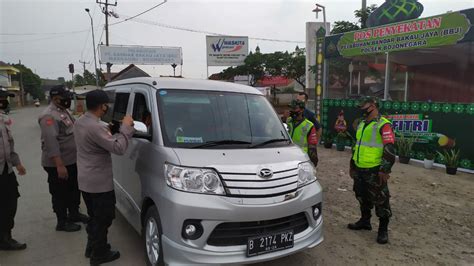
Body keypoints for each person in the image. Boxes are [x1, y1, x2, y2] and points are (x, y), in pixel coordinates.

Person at [74, 90, 135, 265]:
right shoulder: (96, 127)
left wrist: (111, 130)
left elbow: (97, 137)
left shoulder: (81, 122)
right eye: (106, 104)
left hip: (86, 180)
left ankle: (92, 247)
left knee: (94, 217)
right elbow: (119, 148)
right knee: (104, 218)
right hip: (99, 182)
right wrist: (126, 129)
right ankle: (99, 254)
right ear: (102, 106)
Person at [38, 85, 88, 233]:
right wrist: (59, 165)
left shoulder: (63, 111)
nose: (67, 99)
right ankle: (62, 221)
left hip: (71, 160)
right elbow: (50, 142)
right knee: (60, 192)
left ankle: (74, 213)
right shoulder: (48, 116)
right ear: (55, 98)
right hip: (58, 163)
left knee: (73, 189)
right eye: (64, 97)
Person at [348, 96, 396, 244]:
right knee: (362, 196)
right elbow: (357, 146)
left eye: (364, 105)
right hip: (360, 168)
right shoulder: (362, 124)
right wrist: (352, 165)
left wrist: (384, 169)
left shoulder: (383, 124)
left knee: (381, 200)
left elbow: (390, 148)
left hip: (375, 170)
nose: (361, 109)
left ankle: (383, 230)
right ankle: (365, 221)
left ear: (373, 106)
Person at [0, 89, 27, 250]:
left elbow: (8, 145)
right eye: (1, 98)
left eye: (4, 98)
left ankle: (5, 236)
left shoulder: (4, 119)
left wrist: (17, 163)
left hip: (6, 169)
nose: (4, 101)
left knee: (10, 203)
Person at [286, 100, 318, 166]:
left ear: (302, 110)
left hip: (301, 159)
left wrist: (313, 163)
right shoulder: (288, 120)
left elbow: (312, 147)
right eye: (291, 108)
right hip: (288, 156)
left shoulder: (309, 125)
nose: (291, 110)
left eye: (294, 108)